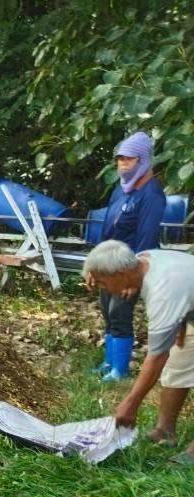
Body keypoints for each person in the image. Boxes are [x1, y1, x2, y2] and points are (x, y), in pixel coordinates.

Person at [84, 241, 194, 466]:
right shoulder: (141, 259)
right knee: (178, 363)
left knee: (166, 356)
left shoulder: (163, 291)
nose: (102, 288)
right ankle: (165, 431)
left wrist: (130, 404)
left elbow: (156, 357)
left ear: (121, 275)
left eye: (103, 283)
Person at [87, 132, 166, 382]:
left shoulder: (151, 194)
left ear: (142, 161)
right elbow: (107, 232)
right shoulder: (120, 191)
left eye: (128, 160)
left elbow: (148, 238)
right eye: (119, 160)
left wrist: (134, 279)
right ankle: (108, 363)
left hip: (128, 268)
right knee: (108, 312)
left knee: (120, 313)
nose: (122, 165)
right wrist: (94, 266)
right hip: (109, 264)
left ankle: (120, 371)